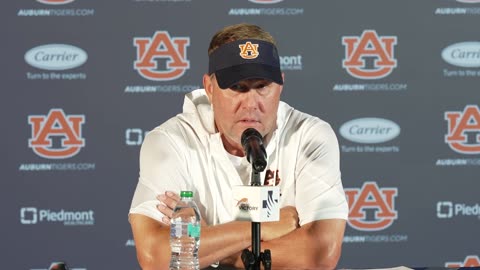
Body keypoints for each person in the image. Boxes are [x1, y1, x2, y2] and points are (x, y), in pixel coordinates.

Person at [129, 23, 348, 270]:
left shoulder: (310, 136)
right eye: (238, 88)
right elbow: (154, 257)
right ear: (210, 88)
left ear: (281, 85)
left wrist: (206, 247)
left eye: (262, 87)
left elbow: (320, 255)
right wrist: (264, 227)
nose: (251, 104)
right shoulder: (170, 141)